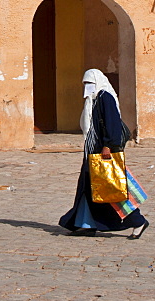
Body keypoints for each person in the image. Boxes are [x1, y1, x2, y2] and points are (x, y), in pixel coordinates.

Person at [59, 68, 148, 238]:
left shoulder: (105, 97)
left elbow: (112, 123)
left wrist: (108, 145)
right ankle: (86, 223)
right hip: (92, 151)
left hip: (103, 151)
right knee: (89, 188)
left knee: (111, 189)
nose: (88, 87)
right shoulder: (93, 100)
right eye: (86, 84)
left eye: (91, 84)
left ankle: (138, 221)